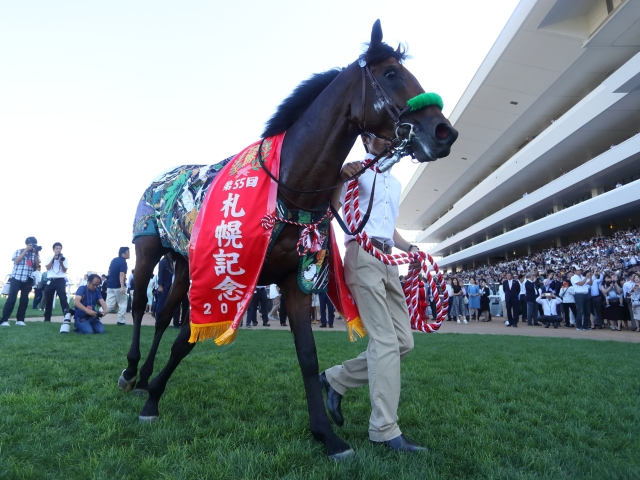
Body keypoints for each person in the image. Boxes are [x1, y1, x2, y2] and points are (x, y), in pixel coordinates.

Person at [320, 134, 425, 453]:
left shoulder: (394, 183)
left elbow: (388, 226)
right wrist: (338, 179)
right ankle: (384, 428)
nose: (390, 140)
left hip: (389, 260)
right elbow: (332, 208)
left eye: (394, 136)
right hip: (362, 257)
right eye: (382, 135)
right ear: (367, 139)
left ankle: (337, 378)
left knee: (404, 342)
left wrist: (411, 248)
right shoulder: (355, 170)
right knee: (385, 341)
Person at [0, 236, 41, 327]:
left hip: (28, 279)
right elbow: (17, 261)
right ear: (26, 244)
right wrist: (26, 250)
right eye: (31, 244)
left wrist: (35, 254)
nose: (32, 246)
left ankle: (20, 320)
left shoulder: (35, 254)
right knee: (11, 299)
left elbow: (37, 266)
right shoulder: (19, 251)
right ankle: (4, 320)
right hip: (16, 278)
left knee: (24, 300)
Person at [43, 242, 72, 324]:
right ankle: (47, 318)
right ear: (53, 249)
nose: (58, 250)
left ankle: (66, 317)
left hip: (60, 280)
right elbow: (47, 268)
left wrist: (61, 262)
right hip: (51, 280)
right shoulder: (49, 257)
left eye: (60, 248)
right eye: (57, 248)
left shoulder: (64, 258)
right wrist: (53, 259)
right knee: (49, 299)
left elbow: (64, 270)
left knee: (63, 299)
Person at [106, 247, 130, 326]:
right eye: (128, 252)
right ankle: (121, 321)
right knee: (122, 303)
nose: (129, 254)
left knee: (109, 304)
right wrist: (122, 287)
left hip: (110, 284)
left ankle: (97, 316)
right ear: (123, 253)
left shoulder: (113, 260)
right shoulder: (123, 262)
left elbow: (109, 271)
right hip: (118, 286)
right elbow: (122, 274)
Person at [570, 266, 592, 331]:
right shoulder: (573, 277)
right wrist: (586, 277)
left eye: (580, 270)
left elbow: (590, 283)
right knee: (580, 311)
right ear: (574, 271)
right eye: (578, 270)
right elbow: (581, 284)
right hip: (579, 294)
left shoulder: (582, 277)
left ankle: (585, 326)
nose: (580, 271)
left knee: (587, 311)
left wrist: (590, 277)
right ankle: (579, 326)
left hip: (586, 294)